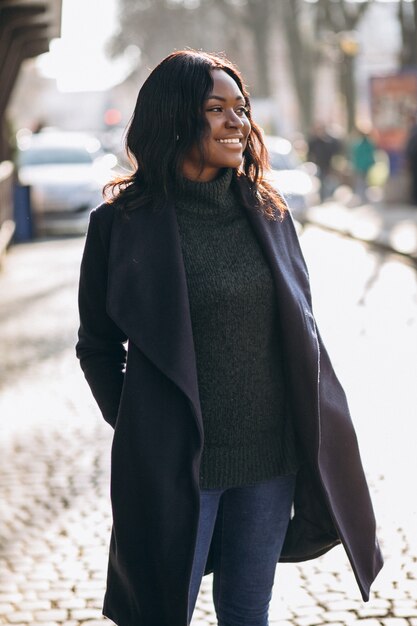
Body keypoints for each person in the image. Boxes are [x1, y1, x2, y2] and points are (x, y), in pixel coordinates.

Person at [76, 50, 383, 626]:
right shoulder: (120, 224)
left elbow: (302, 329)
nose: (236, 122)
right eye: (215, 109)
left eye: (240, 108)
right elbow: (96, 344)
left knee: (247, 611)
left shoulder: (268, 211)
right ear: (172, 118)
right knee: (159, 613)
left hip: (269, 461)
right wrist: (145, 427)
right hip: (177, 467)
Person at [307, 123, 341, 201]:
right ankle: (322, 196)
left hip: (328, 163)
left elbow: (335, 149)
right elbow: (310, 152)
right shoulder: (314, 141)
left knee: (330, 180)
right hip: (318, 164)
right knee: (321, 181)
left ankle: (329, 195)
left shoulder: (328, 140)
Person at [350, 127, 376, 203]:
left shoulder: (359, 144)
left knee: (361, 181)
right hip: (364, 165)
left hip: (361, 165)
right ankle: (362, 197)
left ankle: (362, 196)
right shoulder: (367, 144)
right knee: (363, 181)